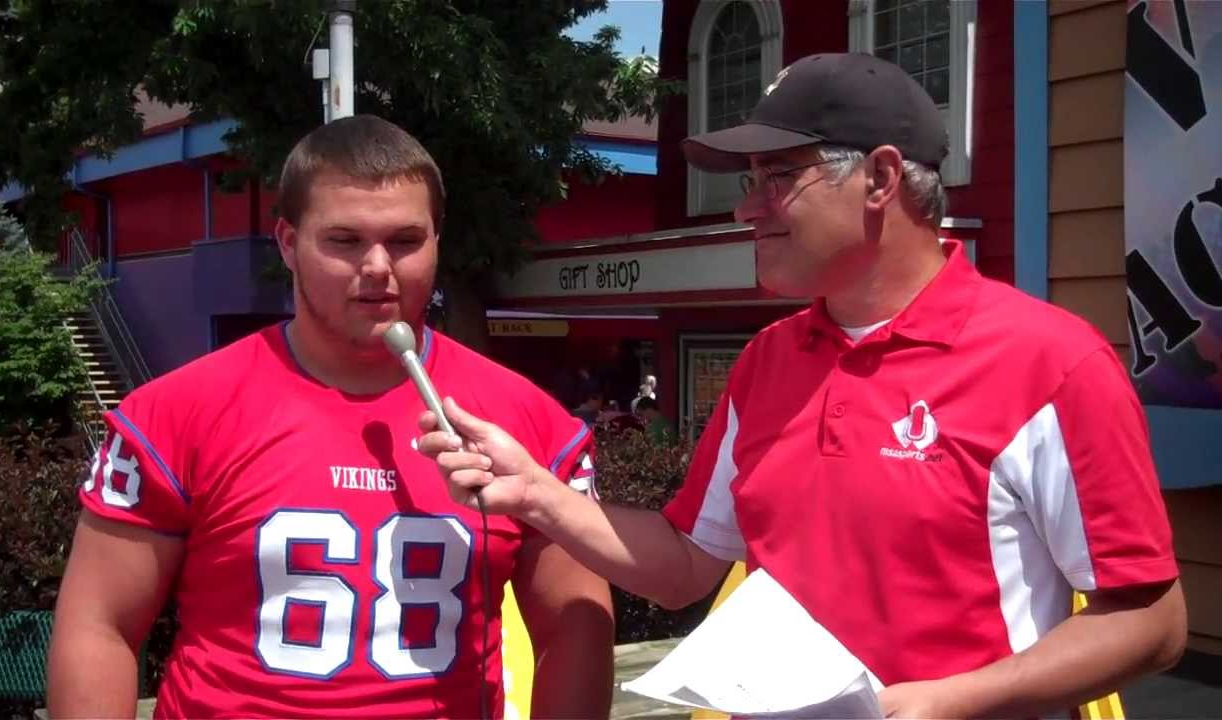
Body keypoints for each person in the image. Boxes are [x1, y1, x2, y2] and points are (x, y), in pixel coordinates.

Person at [418, 53, 1187, 719]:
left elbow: (1150, 622)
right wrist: (537, 494)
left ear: (883, 178)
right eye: (749, 181)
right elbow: (688, 562)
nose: (748, 208)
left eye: (779, 177)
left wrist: (951, 700)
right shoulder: (767, 361)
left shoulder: (1050, 362)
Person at [47, 115, 614, 719]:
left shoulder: (528, 422)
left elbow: (575, 625)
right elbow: (99, 625)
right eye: (344, 240)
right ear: (288, 243)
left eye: (405, 240)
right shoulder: (175, 413)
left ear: (437, 241)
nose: (377, 266)